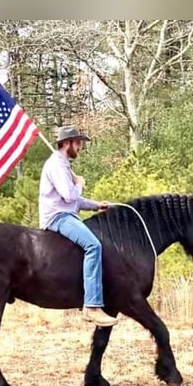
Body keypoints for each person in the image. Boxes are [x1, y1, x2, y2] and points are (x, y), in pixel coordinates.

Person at [39, 125, 119, 327]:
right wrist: (80, 183)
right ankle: (92, 306)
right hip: (58, 217)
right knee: (94, 246)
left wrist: (96, 205)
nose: (80, 147)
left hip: (65, 214)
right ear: (67, 143)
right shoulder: (56, 165)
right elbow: (69, 195)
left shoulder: (63, 164)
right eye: (78, 142)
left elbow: (73, 200)